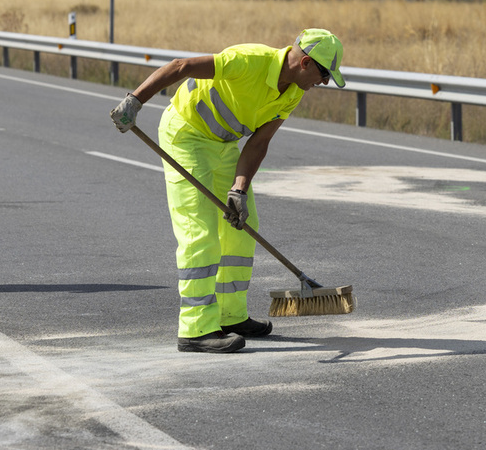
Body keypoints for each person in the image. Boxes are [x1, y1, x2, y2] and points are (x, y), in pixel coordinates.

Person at [109, 28, 345, 353]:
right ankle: (195, 328)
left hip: (223, 146)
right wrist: (135, 101)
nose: (324, 83)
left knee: (242, 226)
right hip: (187, 136)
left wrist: (239, 189)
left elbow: (259, 142)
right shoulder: (249, 61)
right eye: (324, 74)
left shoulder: (292, 92)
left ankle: (230, 315)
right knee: (200, 231)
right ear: (305, 62)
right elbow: (182, 66)